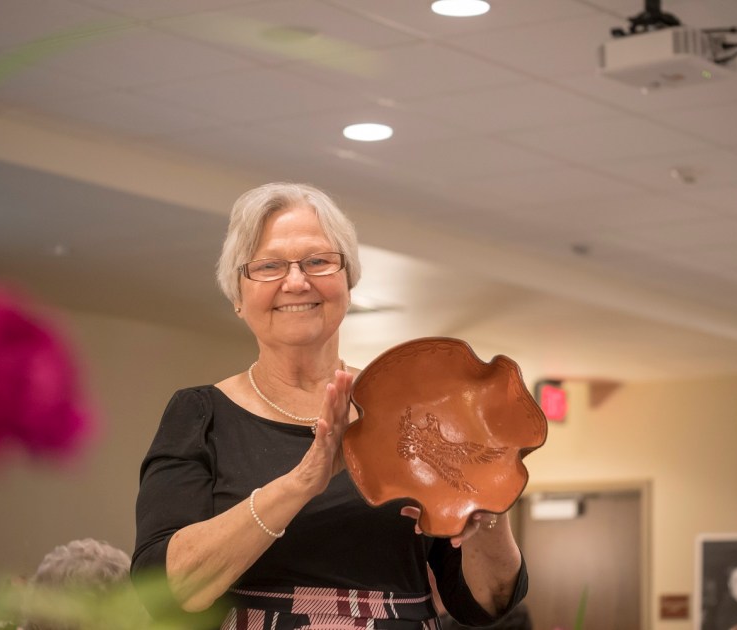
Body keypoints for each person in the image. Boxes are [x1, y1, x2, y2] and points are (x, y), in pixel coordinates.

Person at [131, 182, 528, 629]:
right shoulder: (201, 415)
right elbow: (163, 589)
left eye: (319, 261)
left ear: (348, 283)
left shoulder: (411, 410)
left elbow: (486, 601)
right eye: (269, 266)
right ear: (237, 298)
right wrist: (303, 481)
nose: (297, 281)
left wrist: (491, 509)